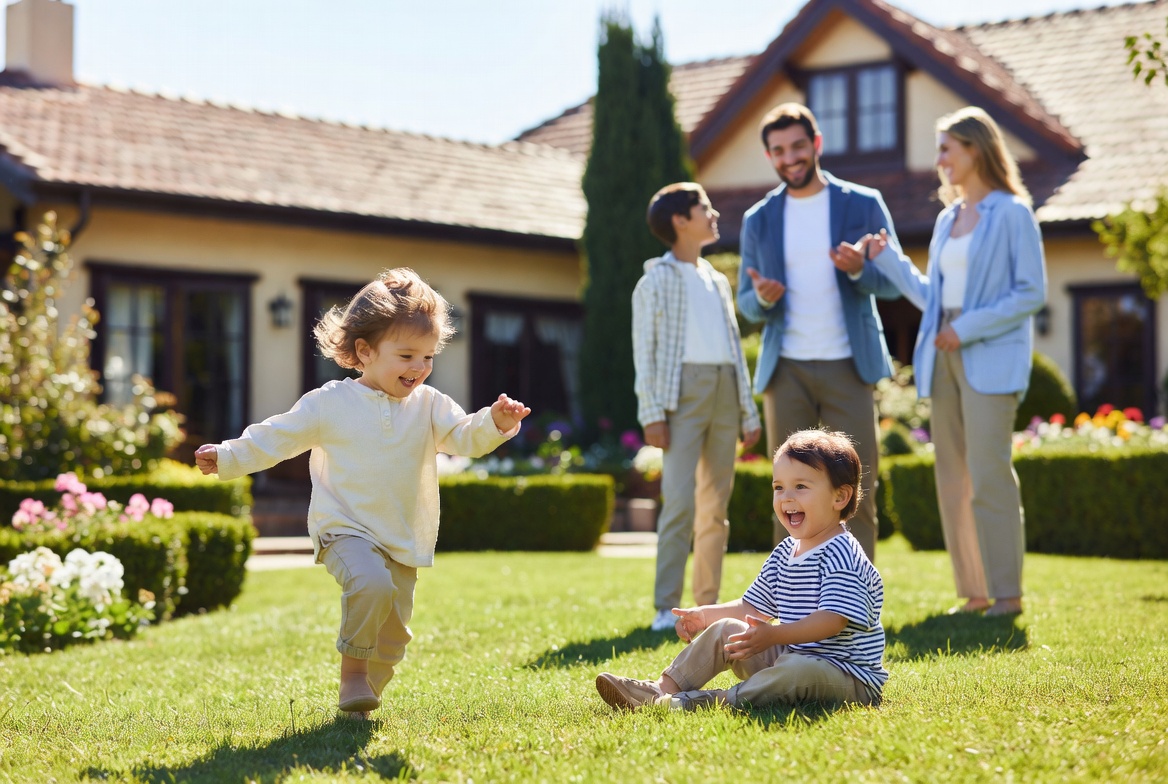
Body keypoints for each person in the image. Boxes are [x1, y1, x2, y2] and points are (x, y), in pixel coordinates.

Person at [194, 268, 531, 717]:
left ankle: (360, 699)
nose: (420, 368)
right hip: (345, 528)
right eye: (407, 355)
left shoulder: (429, 405)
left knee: (393, 638)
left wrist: (496, 423)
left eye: (428, 357)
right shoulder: (330, 403)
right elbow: (278, 436)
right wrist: (230, 455)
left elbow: (464, 436)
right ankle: (351, 674)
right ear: (364, 351)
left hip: (402, 537)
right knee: (370, 584)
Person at [838, 106, 1046, 617]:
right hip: (943, 355)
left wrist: (966, 327)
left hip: (987, 356)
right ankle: (975, 594)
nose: (940, 161)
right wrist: (888, 260)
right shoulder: (947, 218)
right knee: (952, 476)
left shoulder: (1013, 212)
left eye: (947, 149)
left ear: (975, 149)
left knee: (990, 471)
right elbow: (932, 296)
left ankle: (1009, 595)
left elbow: (1030, 293)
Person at [595, 429, 887, 711]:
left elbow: (832, 621)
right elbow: (751, 606)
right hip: (791, 656)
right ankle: (662, 689)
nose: (786, 497)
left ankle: (716, 700)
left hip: (846, 676)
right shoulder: (786, 552)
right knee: (727, 630)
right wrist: (705, 615)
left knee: (798, 669)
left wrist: (774, 635)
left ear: (840, 497)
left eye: (801, 486)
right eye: (778, 487)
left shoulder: (843, 554)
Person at [736, 103, 903, 562]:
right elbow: (745, 304)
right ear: (769, 156)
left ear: (816, 145)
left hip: (849, 365)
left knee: (854, 493)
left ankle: (858, 612)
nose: (789, 157)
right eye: (778, 150)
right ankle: (792, 612)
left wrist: (859, 271)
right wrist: (764, 297)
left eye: (797, 146)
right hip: (785, 368)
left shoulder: (863, 203)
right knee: (789, 499)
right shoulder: (759, 219)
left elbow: (894, 281)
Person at [633, 182, 762, 633]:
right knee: (680, 504)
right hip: (681, 394)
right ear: (679, 221)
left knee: (715, 507)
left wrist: (748, 411)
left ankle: (706, 607)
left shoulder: (715, 281)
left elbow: (732, 347)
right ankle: (664, 605)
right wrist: (651, 413)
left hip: (725, 389)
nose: (713, 214)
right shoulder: (655, 281)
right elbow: (643, 351)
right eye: (703, 208)